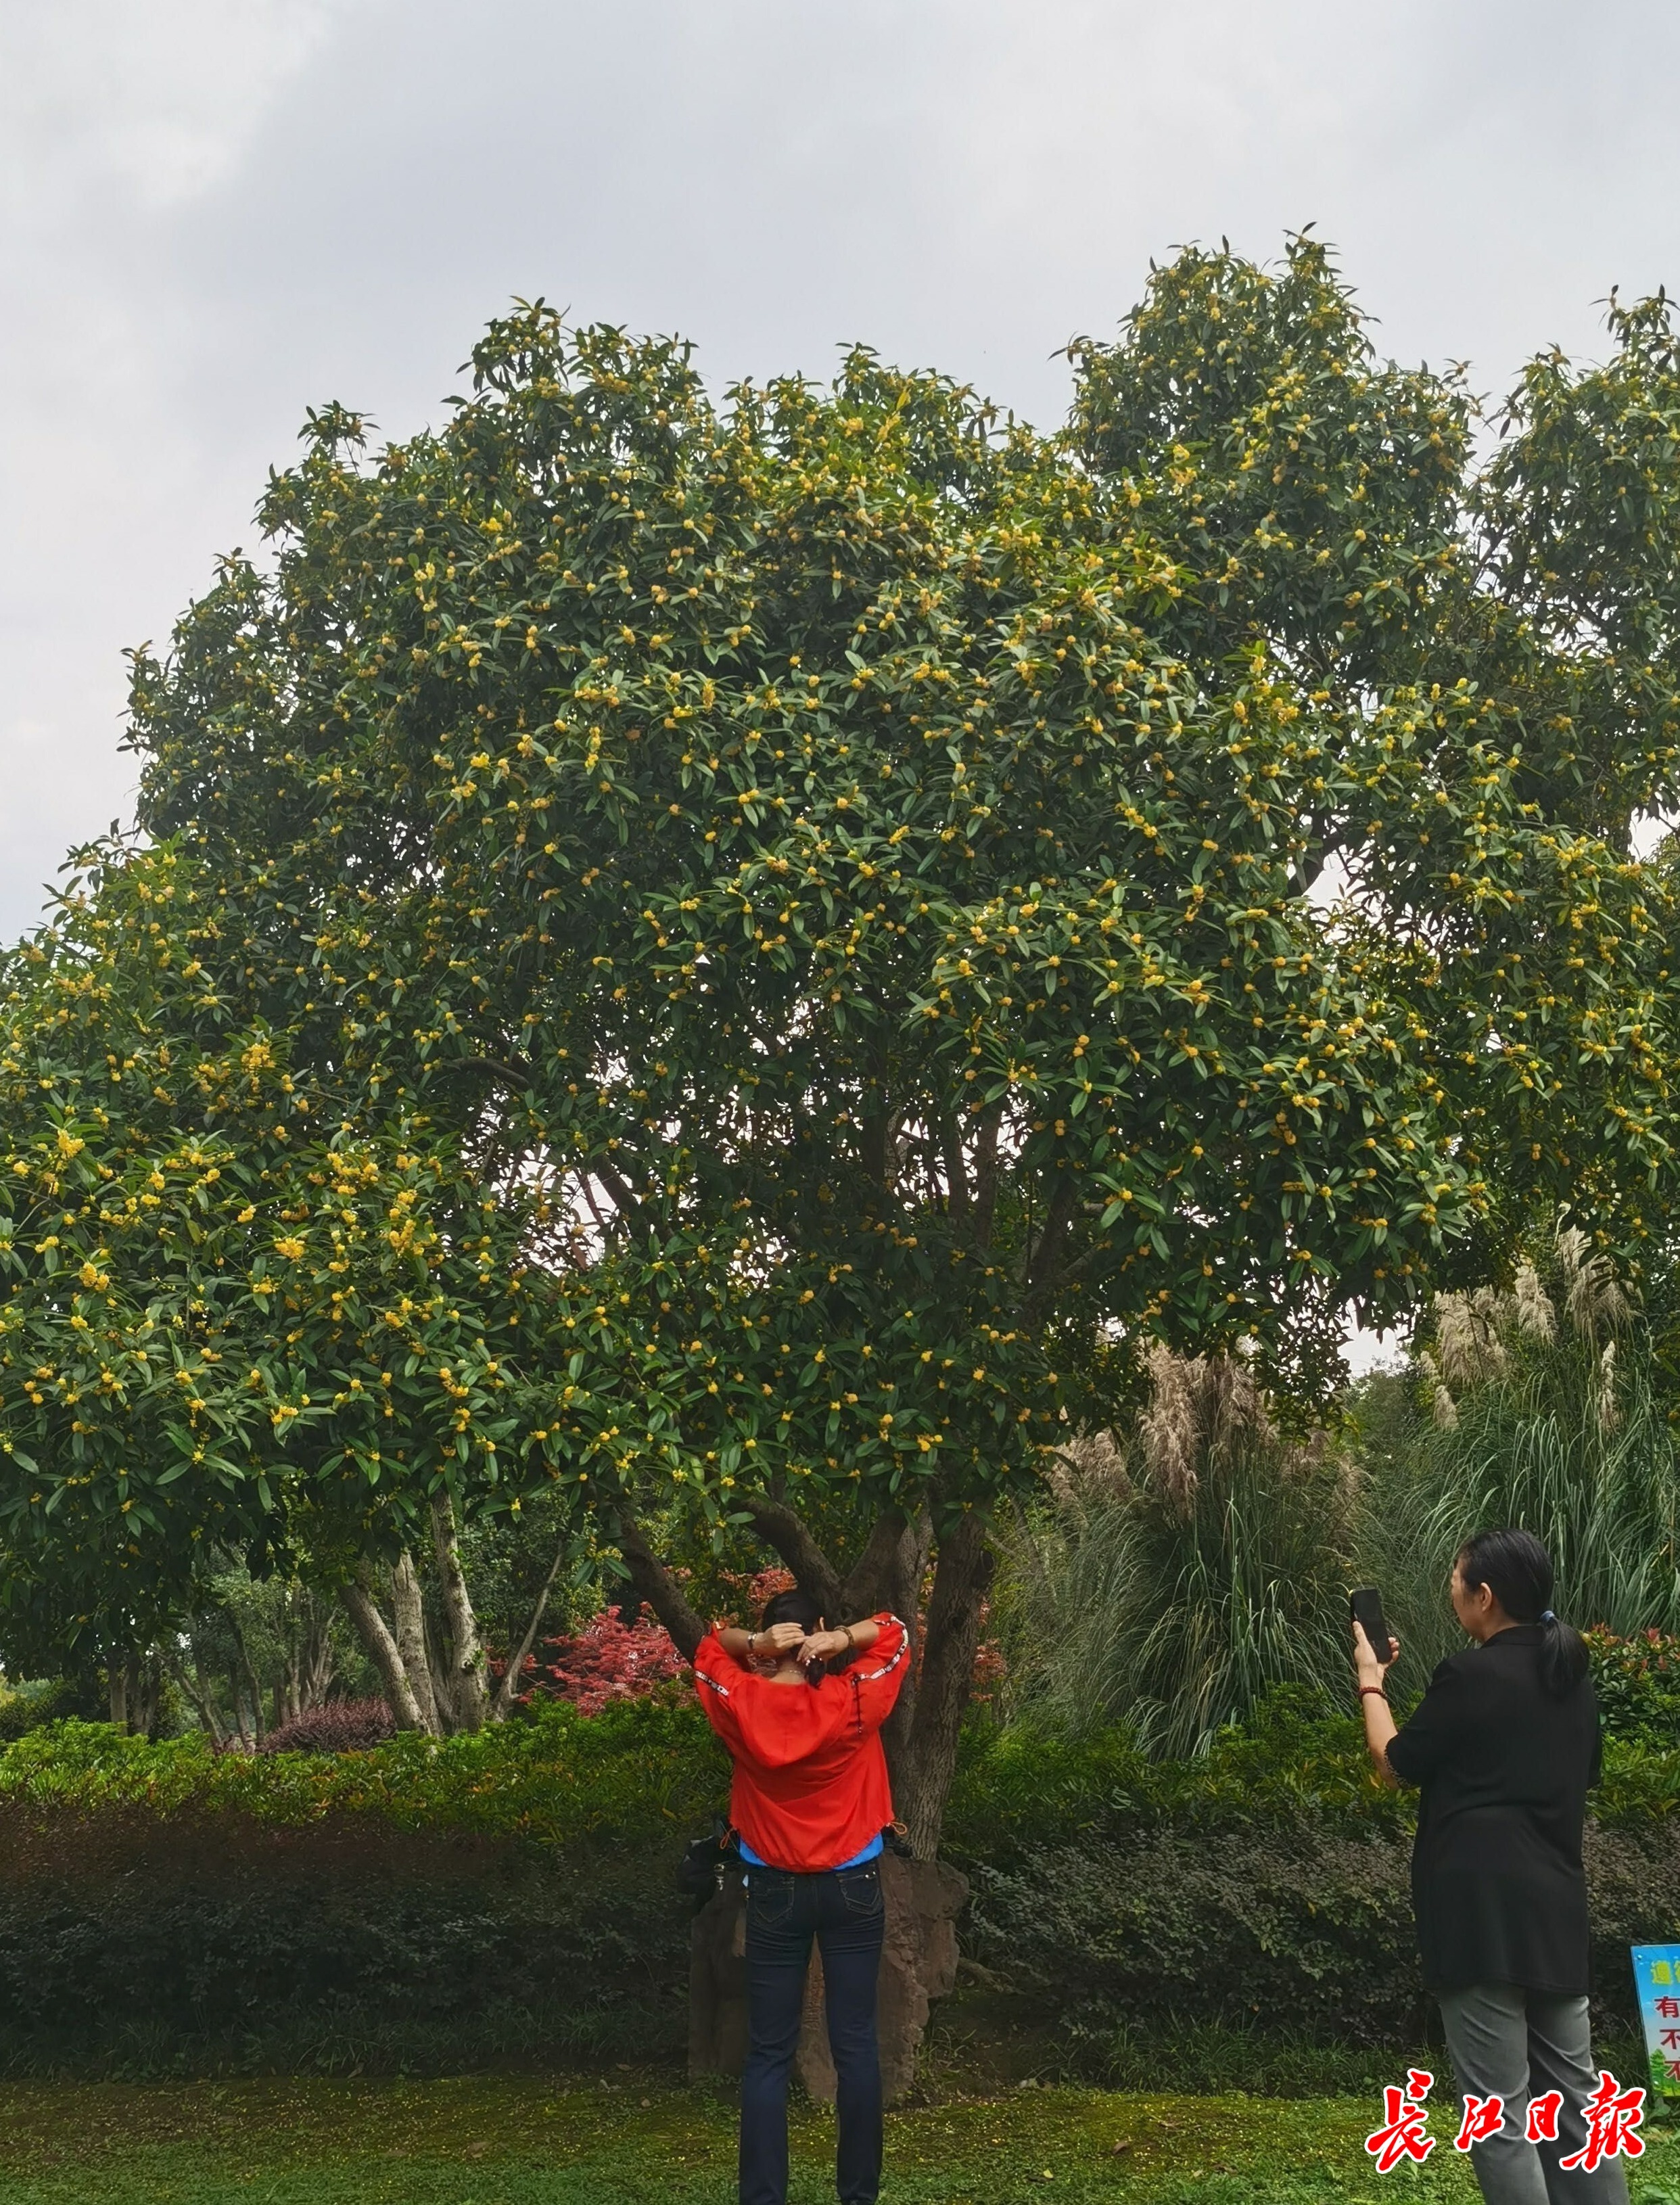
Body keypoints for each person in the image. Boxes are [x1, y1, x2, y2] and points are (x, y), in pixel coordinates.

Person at [1353, 1527, 1627, 2205]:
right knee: (1576, 2100)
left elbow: (1395, 1763)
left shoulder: (1469, 1674)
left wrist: (1370, 1680)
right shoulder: (1574, 1679)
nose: (1451, 1589)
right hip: (1556, 1906)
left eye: (1456, 1579)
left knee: (1499, 2113)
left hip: (1477, 1910)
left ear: (1485, 1595)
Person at [693, 1587, 909, 2205]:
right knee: (856, 2044)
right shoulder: (856, 1700)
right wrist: (841, 1639)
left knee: (767, 2053)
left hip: (774, 1893)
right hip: (855, 1888)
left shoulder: (740, 1700)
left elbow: (710, 1648)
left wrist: (754, 1647)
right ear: (814, 1632)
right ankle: (858, 2198)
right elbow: (894, 1633)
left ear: (768, 1646)